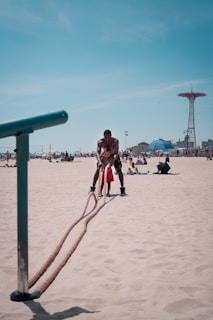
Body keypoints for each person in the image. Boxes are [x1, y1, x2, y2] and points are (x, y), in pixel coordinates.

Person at [90, 129, 126, 196]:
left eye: (108, 137)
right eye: (106, 137)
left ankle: (122, 188)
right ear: (103, 136)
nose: (107, 139)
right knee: (98, 169)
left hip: (114, 156)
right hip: (105, 156)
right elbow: (97, 153)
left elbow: (116, 153)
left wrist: (112, 161)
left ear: (111, 136)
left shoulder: (115, 141)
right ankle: (93, 188)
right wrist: (99, 161)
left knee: (119, 170)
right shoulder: (100, 142)